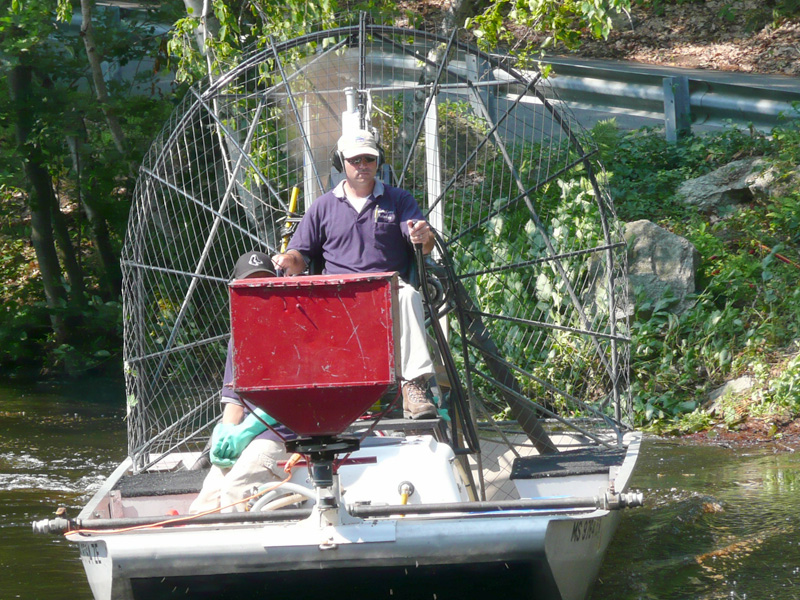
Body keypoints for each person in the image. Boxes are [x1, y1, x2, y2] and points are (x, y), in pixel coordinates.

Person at [272, 129, 438, 420]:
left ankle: (413, 385)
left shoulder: (398, 200)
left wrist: (423, 236)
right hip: (338, 295)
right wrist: (288, 259)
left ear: (378, 162)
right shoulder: (322, 206)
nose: (362, 165)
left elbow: (423, 245)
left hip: (387, 290)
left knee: (410, 296)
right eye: (355, 160)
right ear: (341, 164)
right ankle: (311, 390)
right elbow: (300, 256)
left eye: (369, 159)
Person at [189, 251, 295, 514]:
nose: (258, 290)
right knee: (204, 505)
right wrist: (226, 436)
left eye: (264, 283)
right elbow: (234, 400)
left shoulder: (294, 329)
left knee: (234, 491)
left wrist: (246, 431)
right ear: (237, 289)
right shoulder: (239, 337)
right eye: (250, 284)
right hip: (245, 433)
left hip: (282, 432)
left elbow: (292, 399)